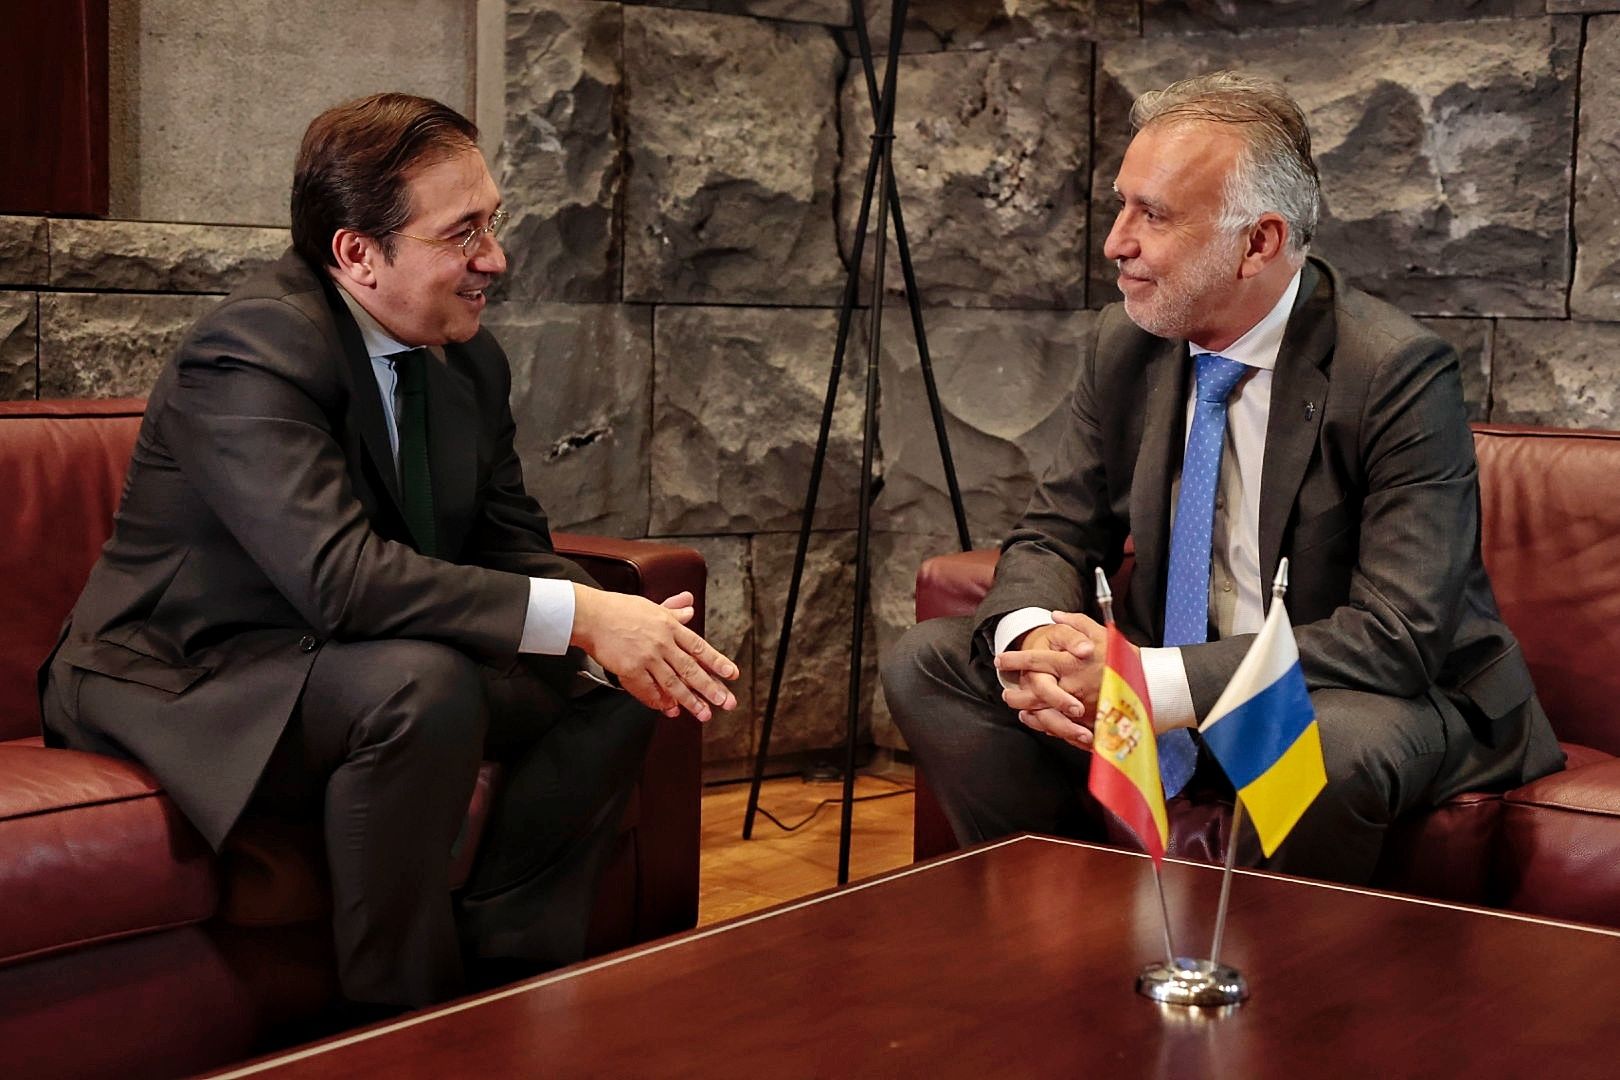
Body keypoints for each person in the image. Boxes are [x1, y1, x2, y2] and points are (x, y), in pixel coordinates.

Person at [39, 92, 738, 1011]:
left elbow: (511, 546)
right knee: (425, 684)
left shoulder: (467, 360)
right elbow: (338, 579)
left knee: (626, 674)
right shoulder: (249, 349)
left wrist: (624, 630)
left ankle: (513, 972)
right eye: (463, 233)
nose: (495, 257)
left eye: (494, 221)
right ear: (358, 254)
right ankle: (398, 1025)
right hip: (189, 669)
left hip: (346, 655)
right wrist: (581, 615)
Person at [882, 72, 1564, 885]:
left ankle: (1274, 996)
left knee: (1315, 744)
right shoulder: (1127, 343)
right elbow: (1056, 531)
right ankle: (1067, 931)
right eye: (1122, 203)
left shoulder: (1394, 371)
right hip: (1174, 677)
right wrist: (1036, 638)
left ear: (1259, 242)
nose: (1116, 242)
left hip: (1367, 692)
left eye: (1154, 215)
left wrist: (1149, 679)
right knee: (930, 662)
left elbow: (1397, 636)